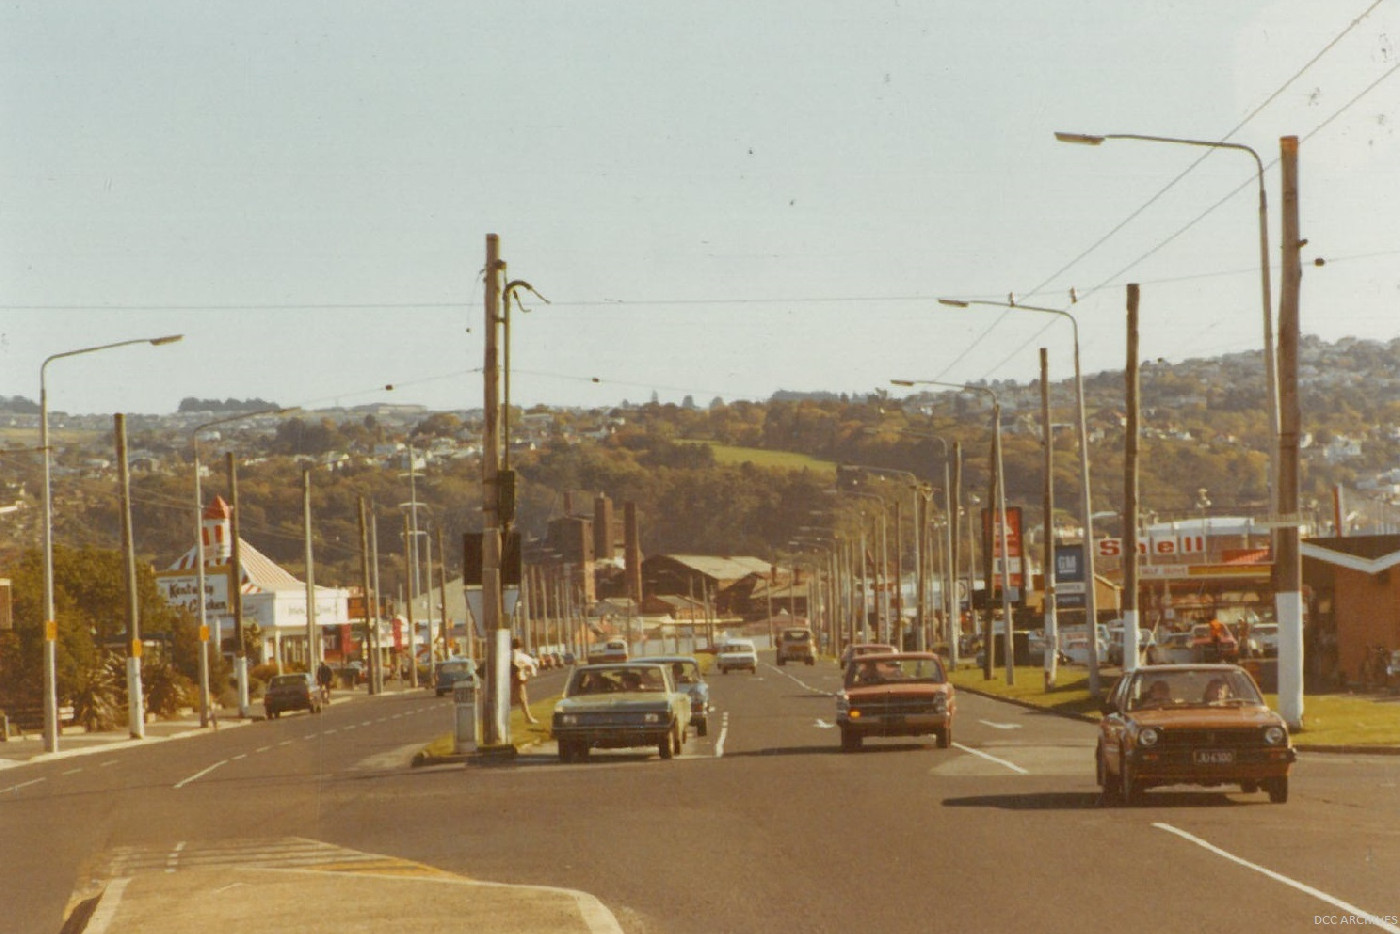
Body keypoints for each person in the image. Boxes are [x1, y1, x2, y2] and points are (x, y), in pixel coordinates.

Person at [510, 638, 539, 723]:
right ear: (521, 646)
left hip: (516, 680)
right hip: (518, 680)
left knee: (520, 699)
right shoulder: (519, 656)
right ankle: (529, 718)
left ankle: (528, 717)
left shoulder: (512, 654)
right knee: (522, 699)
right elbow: (519, 666)